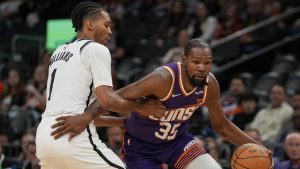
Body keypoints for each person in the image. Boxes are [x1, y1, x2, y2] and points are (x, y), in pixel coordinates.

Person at [51, 39, 273, 169]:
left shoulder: (209, 84)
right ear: (184, 61)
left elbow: (221, 125)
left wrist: (258, 147)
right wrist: (86, 117)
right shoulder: (163, 79)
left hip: (177, 142)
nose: (202, 68)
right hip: (140, 149)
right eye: (196, 62)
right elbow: (112, 96)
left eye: (207, 63)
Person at [35, 2, 165, 169]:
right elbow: (107, 100)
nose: (110, 31)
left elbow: (77, 116)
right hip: (72, 138)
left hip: (45, 136)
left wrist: (121, 122)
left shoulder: (59, 52)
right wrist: (142, 107)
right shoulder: (96, 49)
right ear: (90, 24)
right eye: (106, 25)